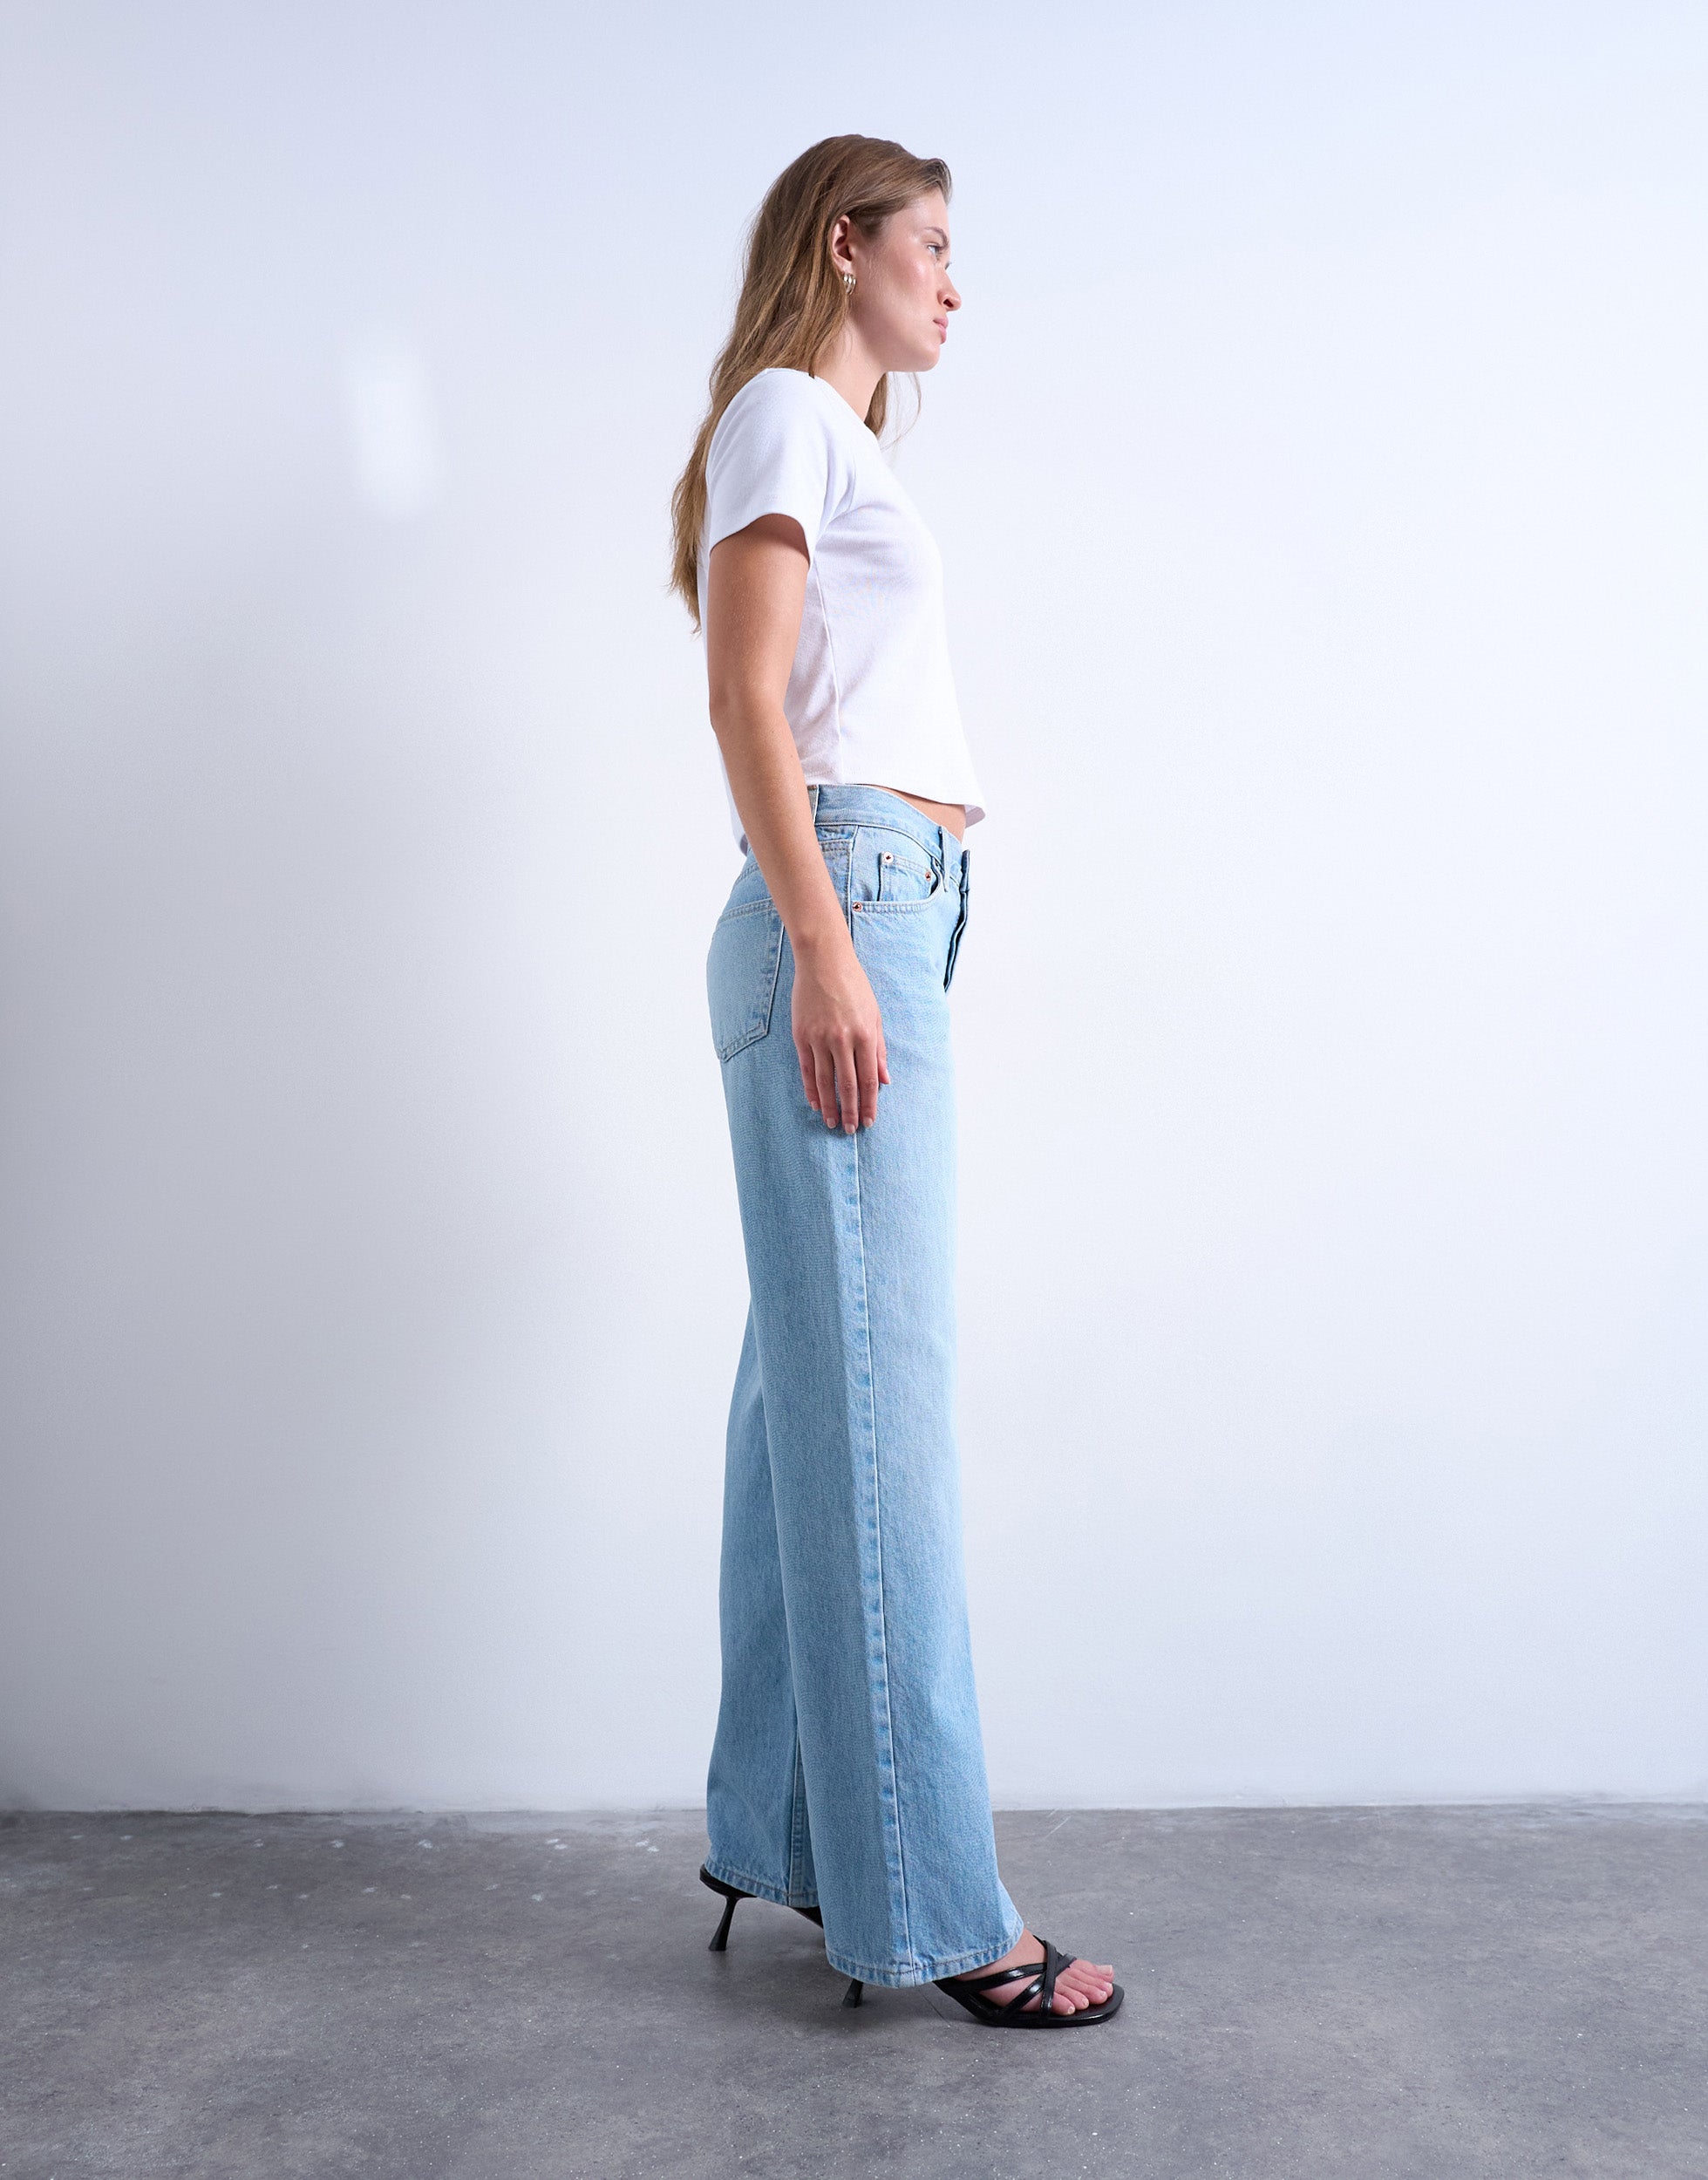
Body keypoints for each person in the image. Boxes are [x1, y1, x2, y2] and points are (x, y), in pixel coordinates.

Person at [668, 133, 1121, 2027]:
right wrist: (832, 944)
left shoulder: (827, 440)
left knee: (808, 1396)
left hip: (866, 897)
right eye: (930, 243)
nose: (953, 281)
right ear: (843, 243)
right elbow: (743, 696)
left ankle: (780, 1826)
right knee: (876, 1417)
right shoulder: (789, 411)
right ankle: (938, 1910)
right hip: (842, 896)